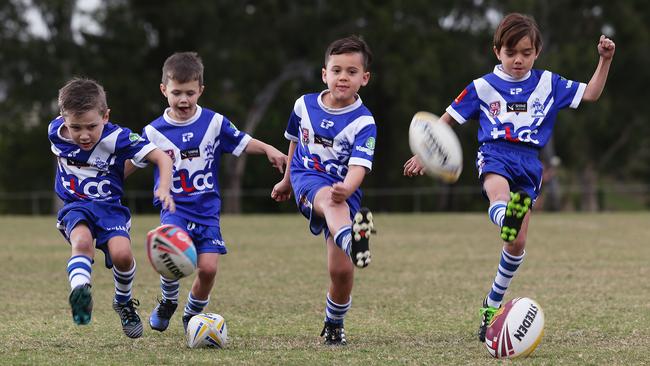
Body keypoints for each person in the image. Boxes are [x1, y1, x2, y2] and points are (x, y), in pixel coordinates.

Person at [403, 13, 615, 342]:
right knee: (497, 192)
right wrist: (424, 151)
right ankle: (504, 214)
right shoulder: (482, 87)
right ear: (497, 51)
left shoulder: (549, 83)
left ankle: (492, 302)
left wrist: (605, 59)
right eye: (511, 52)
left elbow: (591, 93)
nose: (518, 60)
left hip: (530, 162)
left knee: (516, 245)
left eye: (526, 53)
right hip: (495, 153)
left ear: (537, 52)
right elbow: (447, 118)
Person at [126, 52, 287, 333]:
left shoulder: (214, 123)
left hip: (208, 212)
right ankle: (168, 300)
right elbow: (131, 163)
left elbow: (243, 141)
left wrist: (269, 149)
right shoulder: (153, 132)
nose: (184, 100)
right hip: (174, 209)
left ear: (201, 89)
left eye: (190, 92)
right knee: (170, 253)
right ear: (164, 90)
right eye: (177, 93)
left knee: (209, 269)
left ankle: (192, 314)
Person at [49, 77, 176, 338]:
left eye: (92, 126)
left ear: (106, 116)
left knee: (122, 255)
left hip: (110, 209)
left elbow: (161, 157)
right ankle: (80, 292)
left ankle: (123, 301)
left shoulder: (119, 138)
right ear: (63, 120)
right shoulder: (55, 132)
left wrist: (163, 187)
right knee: (82, 242)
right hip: (76, 206)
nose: (84, 135)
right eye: (75, 127)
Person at [271, 35, 377, 346]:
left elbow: (359, 166)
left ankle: (334, 322)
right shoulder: (303, 105)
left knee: (341, 271)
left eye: (352, 72)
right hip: (308, 180)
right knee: (330, 202)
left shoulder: (364, 122)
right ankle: (351, 238)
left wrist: (348, 187)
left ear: (364, 78)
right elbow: (294, 141)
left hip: (345, 191)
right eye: (337, 70)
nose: (343, 77)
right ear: (324, 74)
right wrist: (288, 180)